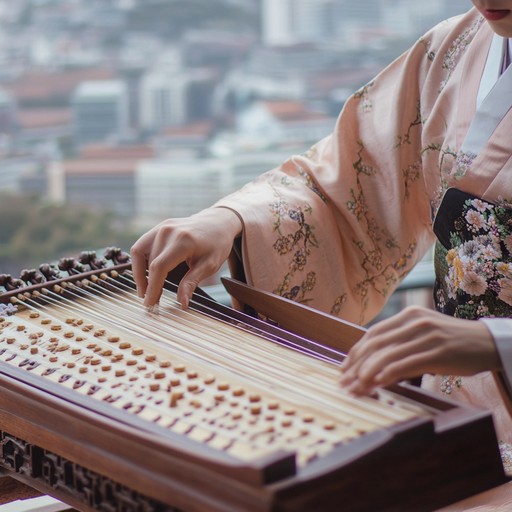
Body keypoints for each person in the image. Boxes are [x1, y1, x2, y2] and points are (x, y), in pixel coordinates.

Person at [131, 1, 512, 474]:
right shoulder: (452, 50)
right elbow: (350, 189)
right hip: (453, 413)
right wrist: (235, 220)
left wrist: (497, 342)